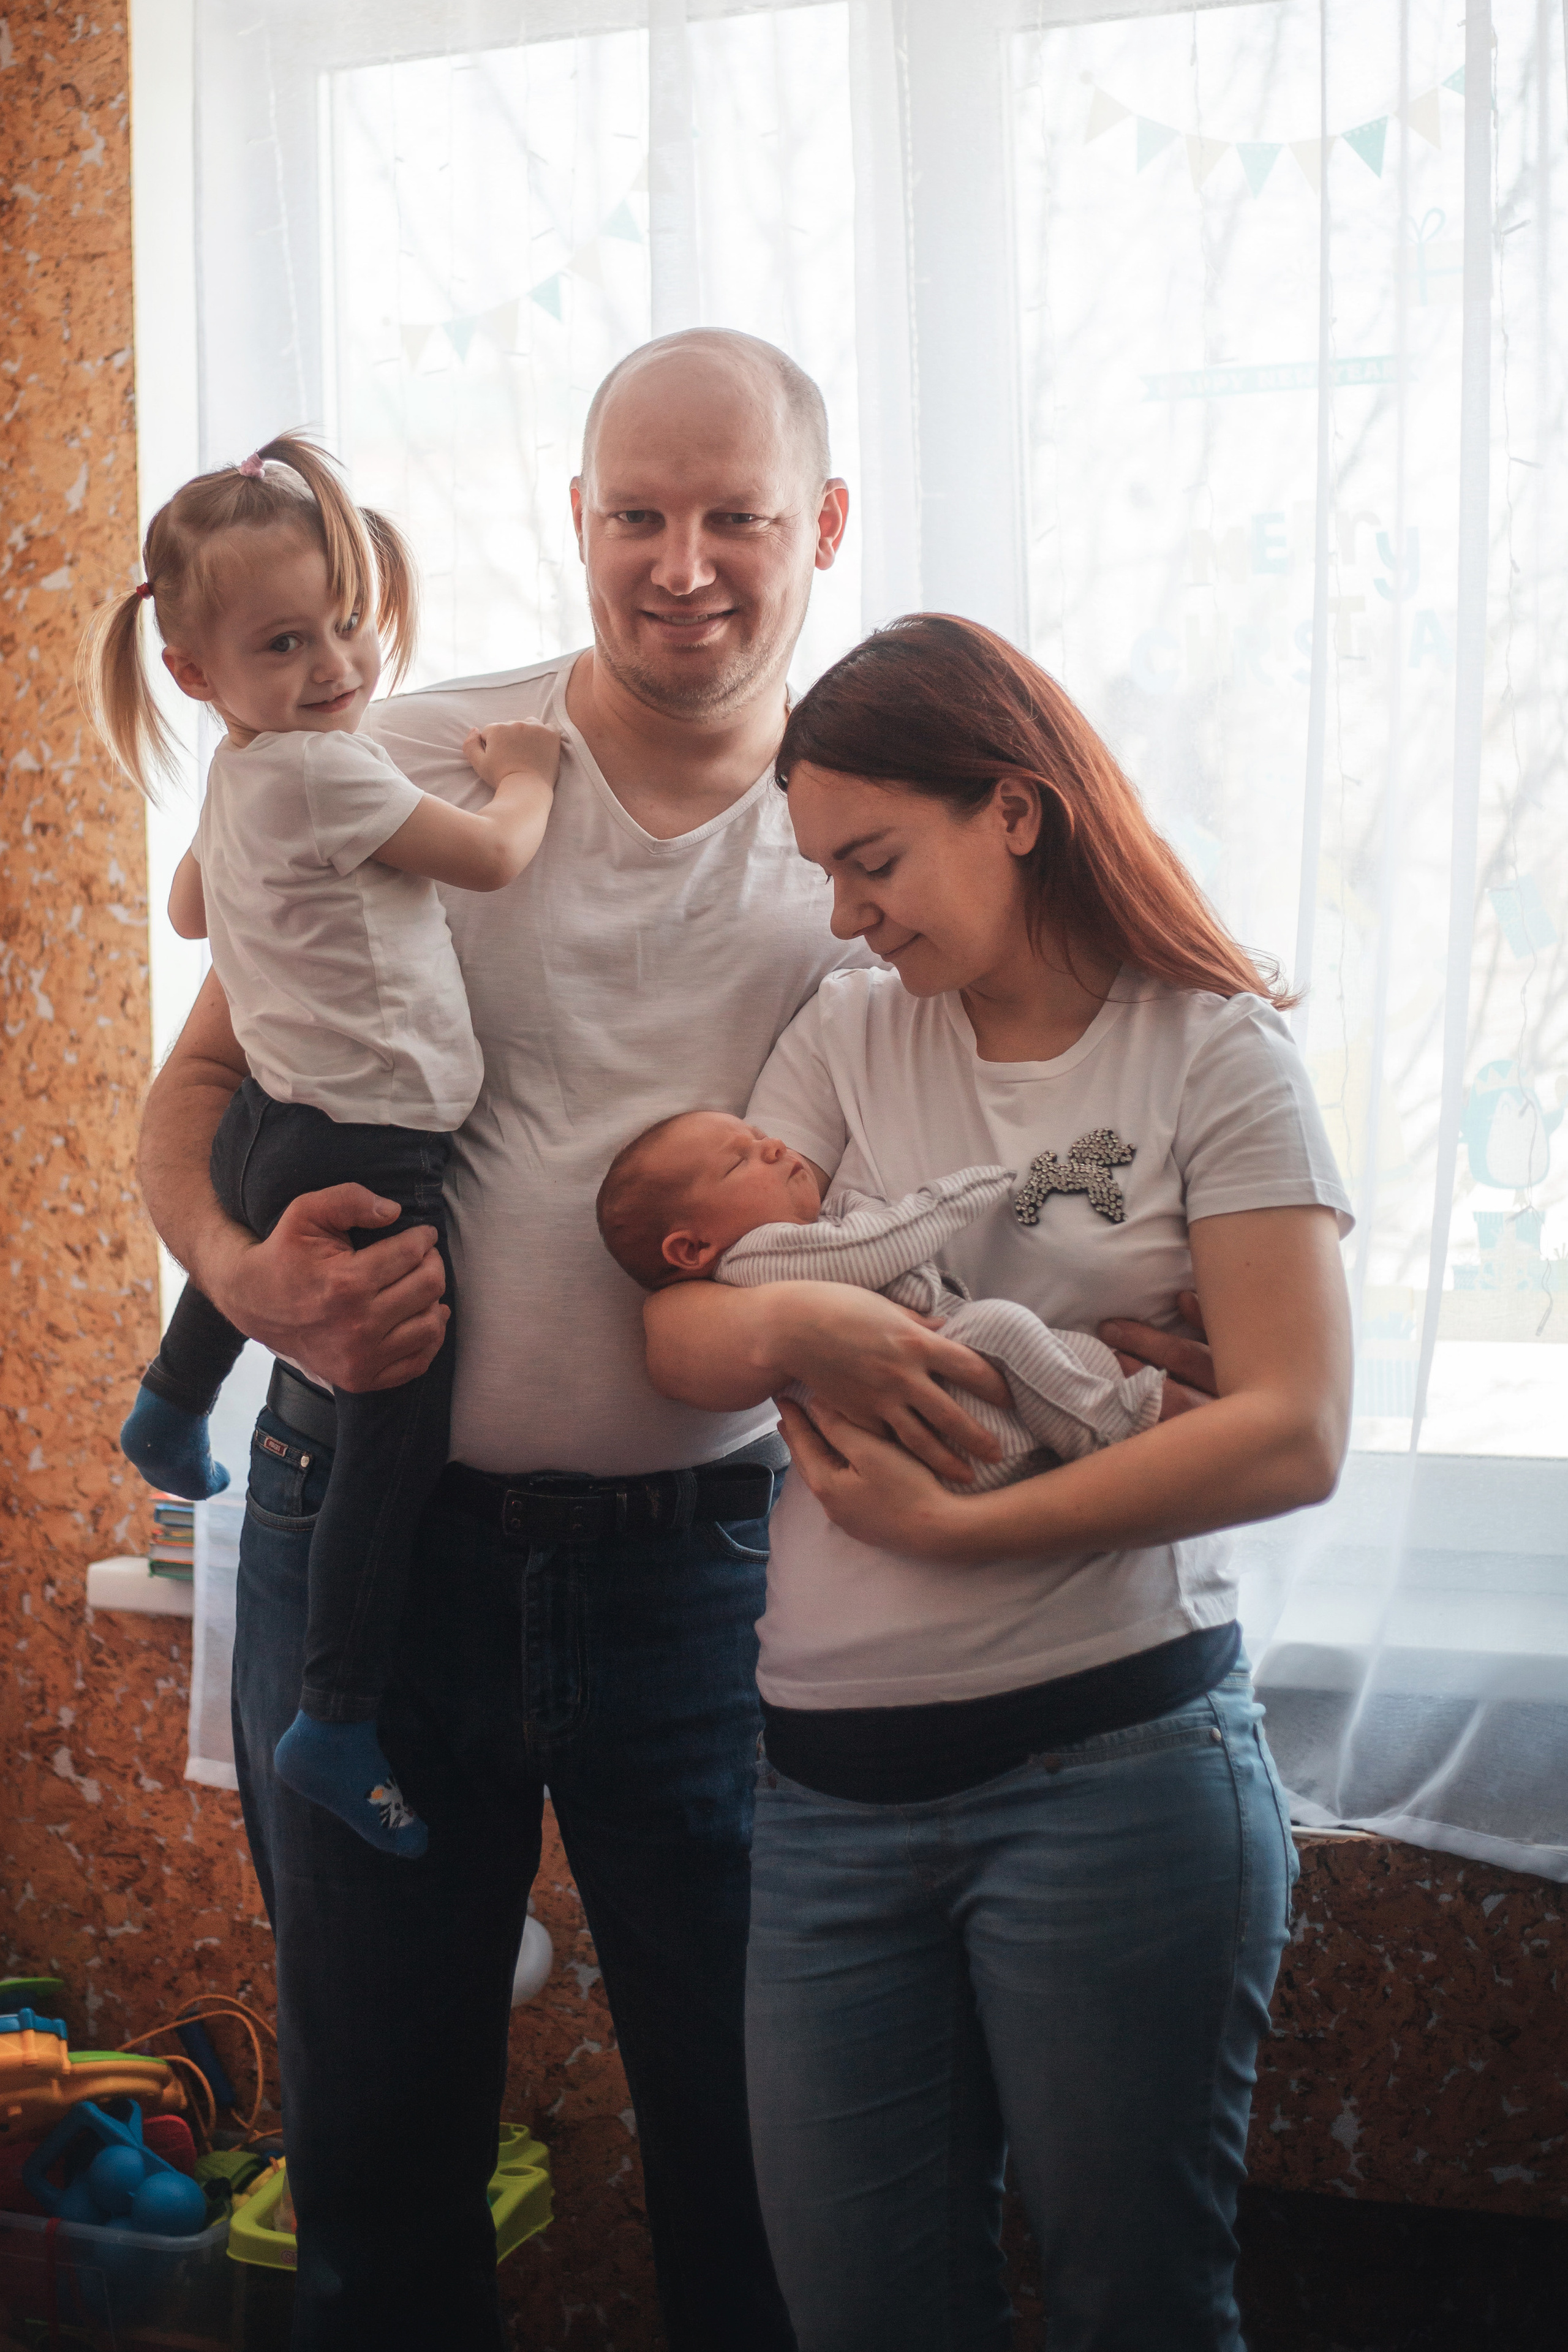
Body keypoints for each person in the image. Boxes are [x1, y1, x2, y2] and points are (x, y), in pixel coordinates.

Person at [135, 330, 897, 2351]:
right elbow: (191, 1094)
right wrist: (241, 1269)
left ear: (818, 526)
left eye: (736, 515)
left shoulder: (862, 835)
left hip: (717, 1580)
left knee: (770, 2171)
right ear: (577, 521)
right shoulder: (413, 756)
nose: (684, 561)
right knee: (377, 2177)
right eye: (636, 513)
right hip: (368, 1549)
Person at [643, 614, 1354, 2351]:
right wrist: (828, 1325)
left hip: (1109, 1782)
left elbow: (1291, 1429)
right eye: (823, 871)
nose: (846, 912)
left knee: (1138, 2310)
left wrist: (965, 1523)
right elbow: (682, 1327)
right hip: (823, 1809)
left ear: (1014, 812)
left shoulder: (1213, 1053)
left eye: (873, 861)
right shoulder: (849, 1034)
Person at [80, 431, 559, 1861]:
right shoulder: (319, 768)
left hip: (280, 1122)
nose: (336, 662)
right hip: (374, 1139)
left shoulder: (241, 769)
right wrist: (524, 772)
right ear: (194, 672)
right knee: (393, 1444)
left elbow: (184, 908)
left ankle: (173, 1404)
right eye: (284, 641)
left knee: (246, 1190)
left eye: (344, 618)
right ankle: (337, 1713)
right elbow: (491, 857)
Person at [595, 1112, 1172, 1483]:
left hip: (950, 1417)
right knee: (1001, 1326)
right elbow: (880, 1245)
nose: (772, 1146)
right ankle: (1103, 1433)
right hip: (944, 1418)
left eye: (759, 1135)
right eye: (738, 1161)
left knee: (1058, 1345)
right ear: (693, 1248)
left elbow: (853, 1231)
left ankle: (1101, 1411)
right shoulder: (756, 1259)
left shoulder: (793, 1246)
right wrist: (973, 1186)